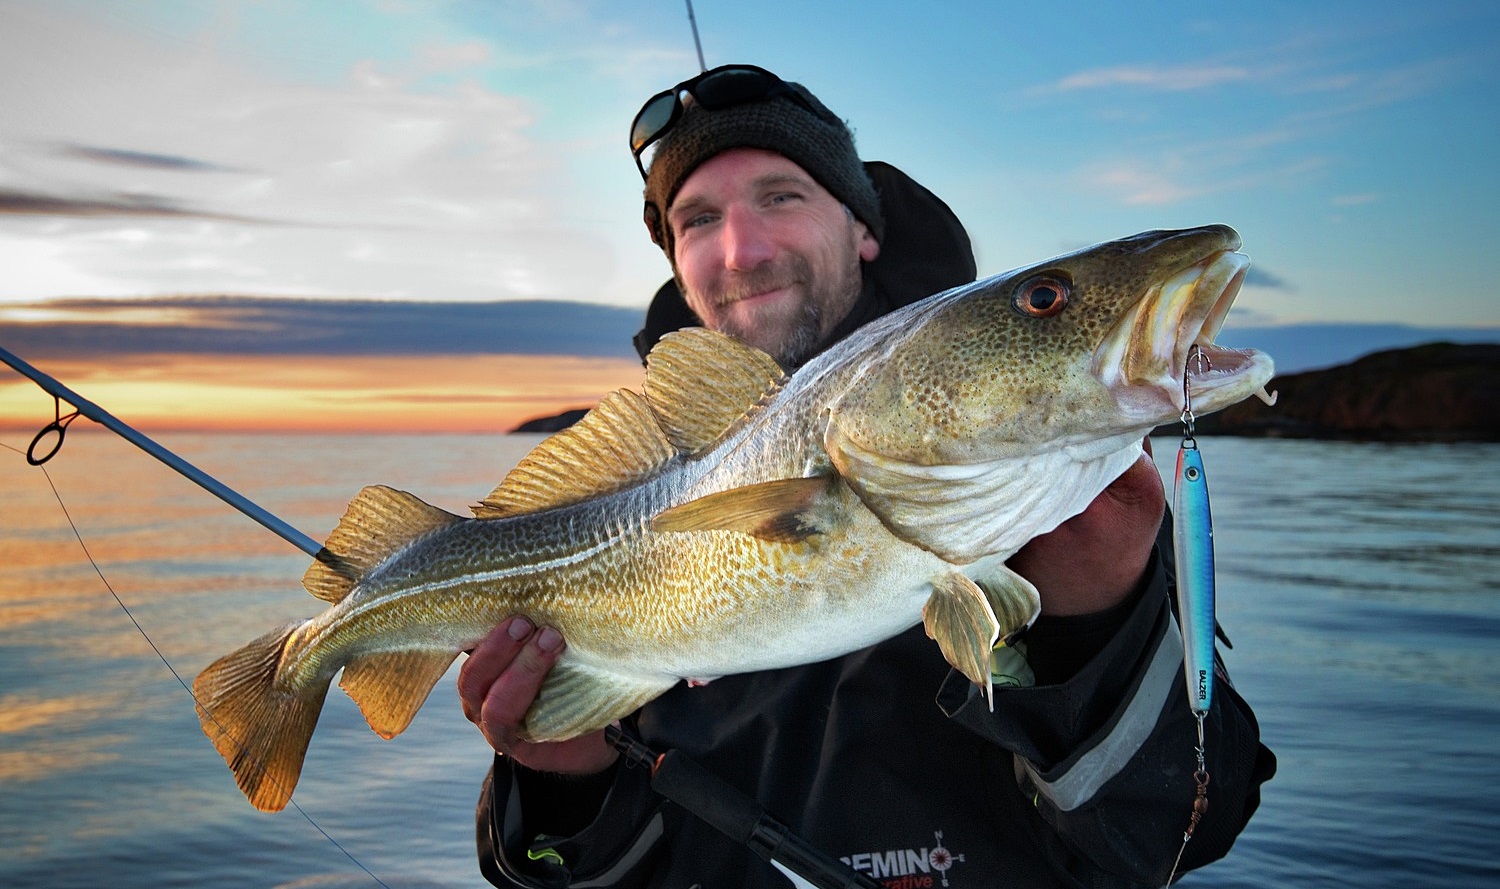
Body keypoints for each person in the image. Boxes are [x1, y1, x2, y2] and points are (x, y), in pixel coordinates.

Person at [459, 64, 1274, 888]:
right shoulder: (619, 488)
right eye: (698, 219)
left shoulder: (1059, 478)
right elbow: (555, 872)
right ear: (677, 262)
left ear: (862, 230)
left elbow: (1188, 829)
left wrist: (1099, 635)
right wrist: (562, 787)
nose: (743, 249)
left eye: (781, 196)